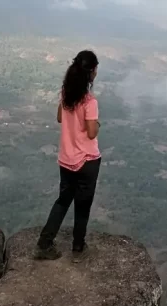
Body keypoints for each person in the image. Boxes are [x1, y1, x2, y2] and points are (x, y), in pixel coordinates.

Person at [36, 50, 102, 261]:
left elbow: (59, 118)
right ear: (91, 72)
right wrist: (97, 124)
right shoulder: (89, 102)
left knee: (63, 200)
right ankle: (78, 249)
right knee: (83, 205)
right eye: (96, 69)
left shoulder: (66, 94)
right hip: (87, 161)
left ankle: (44, 243)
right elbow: (91, 132)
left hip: (66, 159)